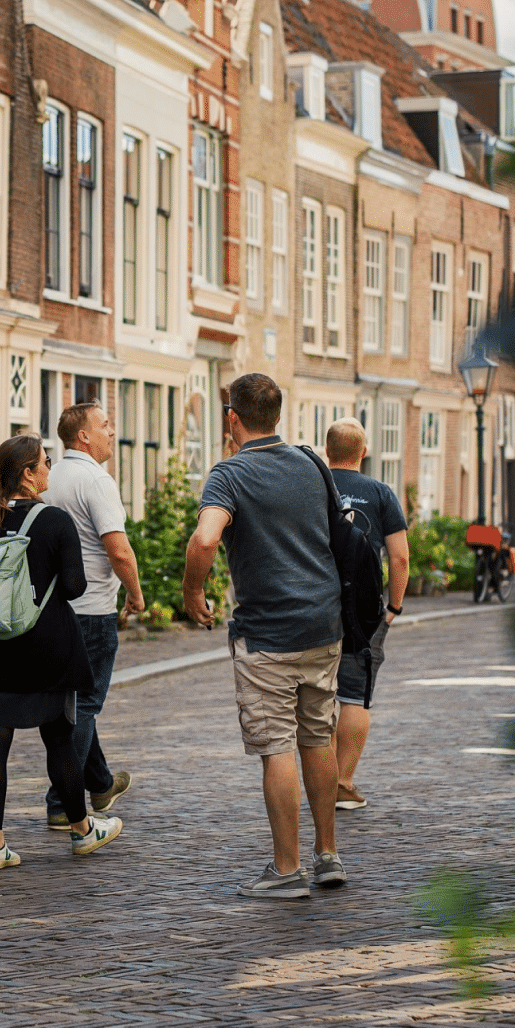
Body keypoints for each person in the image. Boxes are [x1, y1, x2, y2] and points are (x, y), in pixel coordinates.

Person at [182, 373, 347, 900]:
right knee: (317, 736)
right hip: (324, 626)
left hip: (267, 635)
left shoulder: (230, 474)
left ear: (232, 417)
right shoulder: (312, 463)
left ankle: (286, 870)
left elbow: (206, 537)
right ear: (277, 414)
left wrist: (192, 594)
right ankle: (328, 856)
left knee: (276, 747)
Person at [0, 434, 124, 869]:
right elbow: (74, 587)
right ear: (29, 473)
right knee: (58, 740)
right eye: (45, 462)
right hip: (45, 648)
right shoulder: (53, 520)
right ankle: (81, 831)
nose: (50, 468)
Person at [40, 401, 145, 831]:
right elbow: (118, 548)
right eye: (104, 425)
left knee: (75, 702)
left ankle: (99, 783)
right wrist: (136, 595)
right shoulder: (96, 481)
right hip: (92, 609)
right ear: (82, 435)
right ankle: (61, 804)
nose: (111, 432)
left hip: (54, 610)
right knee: (85, 703)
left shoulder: (50, 477)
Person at [324, 418, 410, 811]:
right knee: (355, 697)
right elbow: (400, 558)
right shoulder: (380, 493)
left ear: (327, 452)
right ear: (363, 451)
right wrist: (393, 608)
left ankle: (320, 780)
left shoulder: (314, 486)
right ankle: (342, 782)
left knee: (317, 699)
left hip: (317, 607)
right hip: (364, 611)